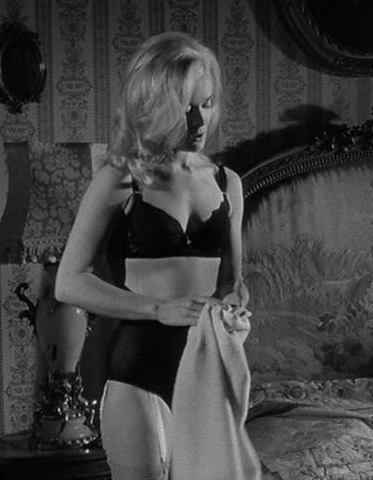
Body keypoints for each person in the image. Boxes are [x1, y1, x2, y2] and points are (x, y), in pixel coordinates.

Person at [55, 32, 252, 480]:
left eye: (206, 104)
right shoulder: (122, 178)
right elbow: (69, 282)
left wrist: (234, 308)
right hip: (140, 371)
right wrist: (158, 309)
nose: (199, 120)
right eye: (185, 107)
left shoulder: (228, 184)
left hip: (209, 372)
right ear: (154, 105)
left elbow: (231, 283)